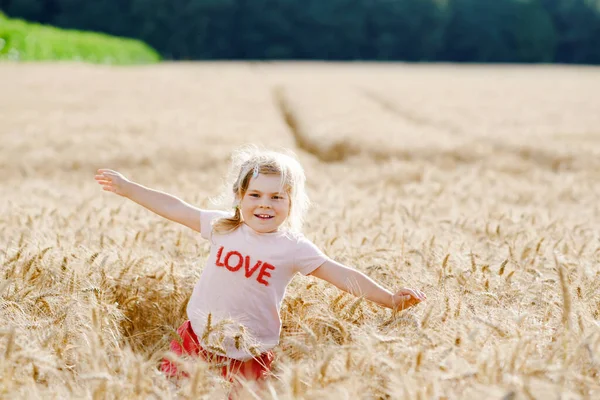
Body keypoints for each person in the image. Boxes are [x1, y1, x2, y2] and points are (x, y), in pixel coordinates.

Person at [94, 145, 426, 396]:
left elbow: (341, 274)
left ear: (291, 202)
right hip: (197, 337)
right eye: (255, 194)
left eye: (276, 197)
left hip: (249, 352)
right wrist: (128, 188)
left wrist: (388, 299)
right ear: (238, 197)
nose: (264, 204)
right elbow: (176, 208)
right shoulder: (223, 226)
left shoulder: (294, 248)